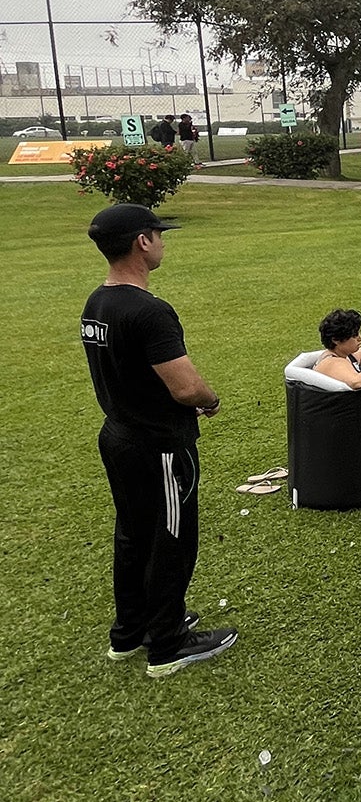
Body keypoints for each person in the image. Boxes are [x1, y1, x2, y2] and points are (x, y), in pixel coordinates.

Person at [81, 203, 237, 677]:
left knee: (133, 535)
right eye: (158, 234)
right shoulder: (149, 311)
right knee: (172, 539)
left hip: (119, 437)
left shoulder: (97, 302)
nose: (163, 241)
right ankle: (168, 643)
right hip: (160, 447)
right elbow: (186, 386)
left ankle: (130, 633)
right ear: (141, 242)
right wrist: (209, 400)